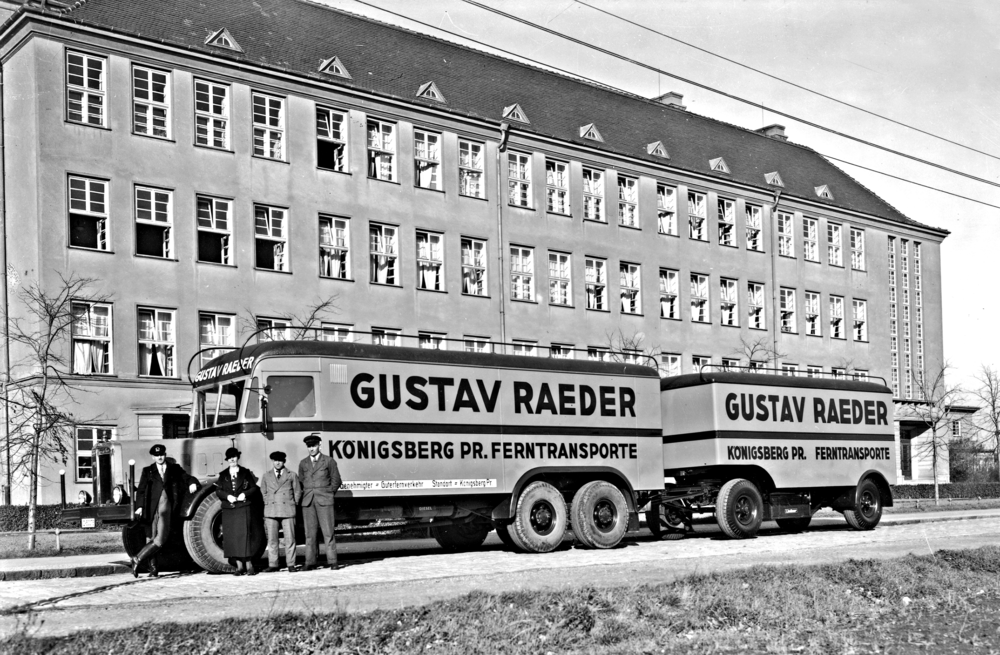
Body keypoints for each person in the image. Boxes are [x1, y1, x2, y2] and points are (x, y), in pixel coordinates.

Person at [132, 444, 199, 578]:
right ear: (153, 457)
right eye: (157, 455)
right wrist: (139, 507)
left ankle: (137, 559)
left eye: (162, 454)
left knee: (160, 538)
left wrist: (193, 483)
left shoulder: (174, 468)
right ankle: (153, 569)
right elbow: (141, 490)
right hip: (151, 509)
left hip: (166, 508)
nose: (160, 457)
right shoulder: (148, 471)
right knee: (150, 537)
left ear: (165, 454)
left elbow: (187, 477)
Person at [215, 447, 265, 575]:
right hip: (230, 509)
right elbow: (218, 491)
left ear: (238, 458)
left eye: (234, 457)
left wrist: (245, 494)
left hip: (243, 508)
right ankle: (239, 567)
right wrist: (228, 497)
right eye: (230, 457)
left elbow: (254, 488)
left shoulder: (245, 473)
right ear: (227, 460)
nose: (232, 459)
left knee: (245, 536)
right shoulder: (223, 475)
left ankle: (249, 566)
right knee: (232, 538)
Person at [297, 433, 341, 571]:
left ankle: (333, 561)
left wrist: (328, 493)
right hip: (308, 502)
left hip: (324, 500)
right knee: (310, 534)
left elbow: (336, 480)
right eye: (309, 446)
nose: (311, 449)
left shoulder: (328, 461)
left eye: (314, 446)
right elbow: (301, 481)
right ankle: (310, 562)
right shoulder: (303, 463)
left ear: (319, 445)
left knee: (328, 532)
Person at [261, 451, 301, 572]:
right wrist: (268, 502)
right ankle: (273, 564)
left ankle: (291, 564)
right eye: (275, 460)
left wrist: (293, 503)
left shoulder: (292, 475)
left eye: (280, 460)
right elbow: (263, 492)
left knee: (290, 538)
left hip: (287, 509)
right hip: (271, 511)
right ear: (272, 461)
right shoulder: (266, 476)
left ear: (284, 461)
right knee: (272, 540)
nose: (278, 463)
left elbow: (297, 491)